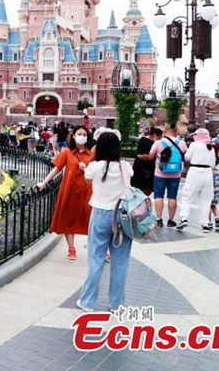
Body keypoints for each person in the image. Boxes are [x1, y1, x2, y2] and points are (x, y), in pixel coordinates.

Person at [77, 129, 135, 312]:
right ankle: (116, 305)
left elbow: (87, 180)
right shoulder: (125, 166)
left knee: (96, 260)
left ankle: (87, 302)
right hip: (122, 216)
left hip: (101, 214)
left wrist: (87, 166)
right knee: (120, 262)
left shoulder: (95, 166)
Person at [36, 126, 93, 260]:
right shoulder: (67, 152)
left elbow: (96, 173)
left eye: (84, 134)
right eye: (79, 134)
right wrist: (44, 183)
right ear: (73, 136)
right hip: (70, 190)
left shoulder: (92, 155)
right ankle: (71, 248)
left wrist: (85, 169)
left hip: (87, 191)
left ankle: (98, 247)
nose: (82, 136)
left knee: (91, 220)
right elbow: (56, 169)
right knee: (69, 218)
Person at [176, 128, 216, 231]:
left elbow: (187, 158)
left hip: (195, 172)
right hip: (207, 174)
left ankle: (184, 218)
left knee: (187, 196)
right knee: (205, 200)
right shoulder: (211, 147)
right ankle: (205, 224)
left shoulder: (194, 145)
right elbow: (213, 164)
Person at [148, 124, 187, 228]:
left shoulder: (158, 142)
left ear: (165, 131)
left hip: (160, 174)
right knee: (172, 196)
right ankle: (170, 220)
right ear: (176, 131)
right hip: (175, 174)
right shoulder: (182, 143)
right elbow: (185, 157)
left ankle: (159, 220)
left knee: (158, 196)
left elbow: (150, 156)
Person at [130, 127, 162, 196]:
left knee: (148, 189)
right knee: (142, 189)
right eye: (160, 137)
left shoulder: (152, 142)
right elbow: (140, 155)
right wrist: (152, 156)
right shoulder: (145, 142)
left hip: (148, 169)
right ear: (155, 135)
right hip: (142, 170)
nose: (160, 139)